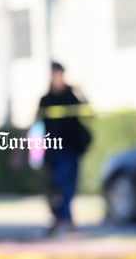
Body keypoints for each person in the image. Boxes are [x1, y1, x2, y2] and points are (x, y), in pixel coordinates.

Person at [37, 61, 92, 236]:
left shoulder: (71, 96)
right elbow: (35, 123)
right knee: (58, 187)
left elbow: (90, 115)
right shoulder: (46, 100)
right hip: (54, 150)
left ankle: (61, 220)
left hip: (71, 148)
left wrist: (81, 92)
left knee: (69, 187)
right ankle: (64, 220)